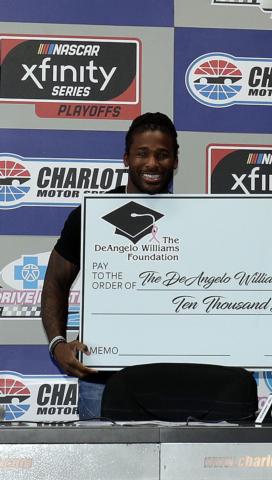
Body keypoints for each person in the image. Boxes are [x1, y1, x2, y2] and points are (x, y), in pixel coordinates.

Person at [41, 112, 179, 419]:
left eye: (163, 155)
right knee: (101, 467)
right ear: (126, 159)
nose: (153, 164)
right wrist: (57, 343)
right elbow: (55, 282)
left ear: (175, 161)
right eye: (142, 153)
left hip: (176, 379)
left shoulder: (200, 219)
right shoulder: (92, 214)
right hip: (102, 379)